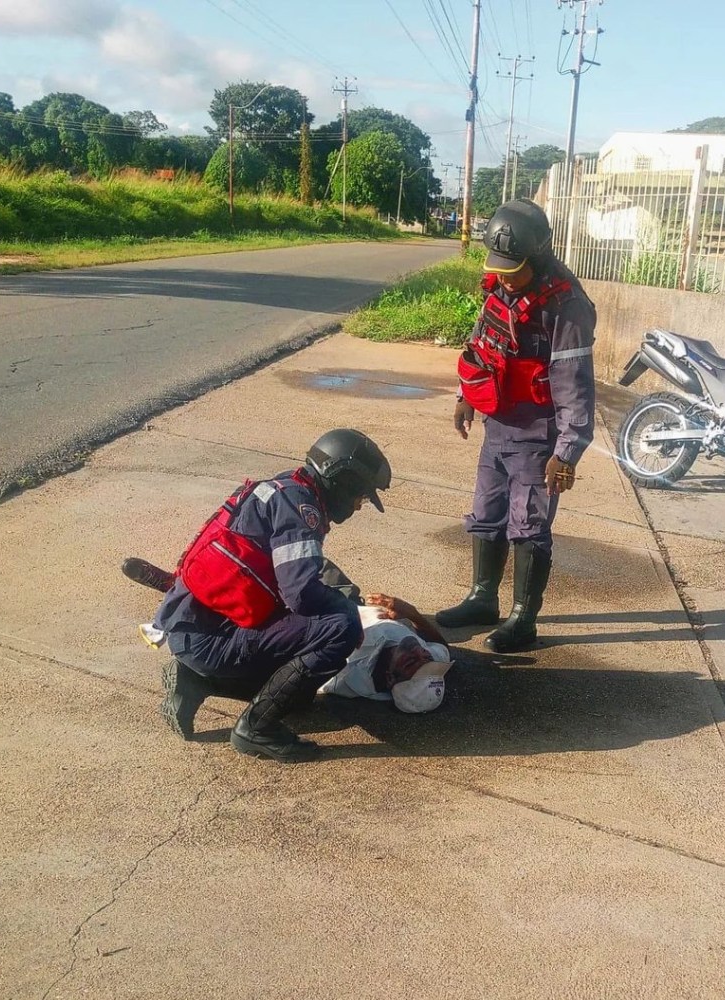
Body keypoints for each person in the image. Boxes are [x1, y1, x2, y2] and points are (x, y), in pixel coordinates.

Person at [142, 428, 391, 763]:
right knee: (340, 627)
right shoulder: (302, 510)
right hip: (209, 638)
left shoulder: (283, 487)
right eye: (360, 495)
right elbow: (301, 593)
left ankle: (194, 681)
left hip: (195, 628)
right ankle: (256, 730)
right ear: (341, 479)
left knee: (297, 694)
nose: (359, 506)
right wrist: (349, 609)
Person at [437, 199, 596, 652]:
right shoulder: (501, 287)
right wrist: (466, 394)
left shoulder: (567, 308)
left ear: (539, 255)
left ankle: (523, 618)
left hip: (538, 438)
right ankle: (482, 598)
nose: (505, 276)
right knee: (485, 514)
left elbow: (575, 383)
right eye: (500, 267)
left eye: (514, 268)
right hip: (498, 427)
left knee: (528, 524)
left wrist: (567, 451)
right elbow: (481, 343)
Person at [319, 594, 453, 713]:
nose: (418, 651)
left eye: (411, 661)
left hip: (328, 607)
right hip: (357, 602)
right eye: (427, 657)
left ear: (389, 678)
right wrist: (413, 614)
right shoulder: (435, 663)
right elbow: (442, 647)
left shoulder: (347, 675)